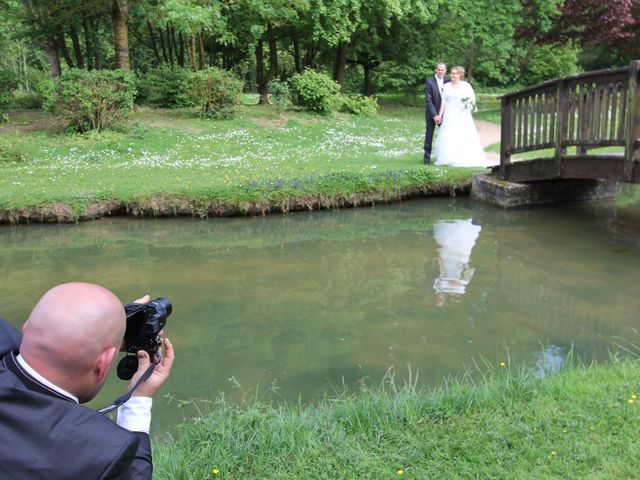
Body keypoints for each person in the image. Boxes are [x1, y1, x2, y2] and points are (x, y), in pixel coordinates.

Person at [0, 282, 175, 480]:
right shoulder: (101, 454)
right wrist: (138, 399)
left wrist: (107, 331)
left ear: (26, 326)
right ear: (104, 362)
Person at [434, 66, 487, 167]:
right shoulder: (446, 86)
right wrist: (440, 115)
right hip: (449, 114)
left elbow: (472, 100)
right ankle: (448, 157)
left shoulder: (466, 86)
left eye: (455, 73)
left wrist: (469, 105)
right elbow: (443, 102)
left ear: (460, 75)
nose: (452, 75)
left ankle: (463, 156)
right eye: (452, 73)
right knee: (448, 135)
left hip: (462, 114)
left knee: (462, 134)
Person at [423, 62, 450, 164]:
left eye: (442, 70)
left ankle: (444, 158)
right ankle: (426, 159)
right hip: (431, 114)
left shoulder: (448, 81)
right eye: (439, 69)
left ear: (445, 70)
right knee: (429, 136)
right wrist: (435, 115)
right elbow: (428, 100)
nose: (440, 72)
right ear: (435, 70)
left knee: (445, 136)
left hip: (444, 114)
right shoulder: (429, 82)